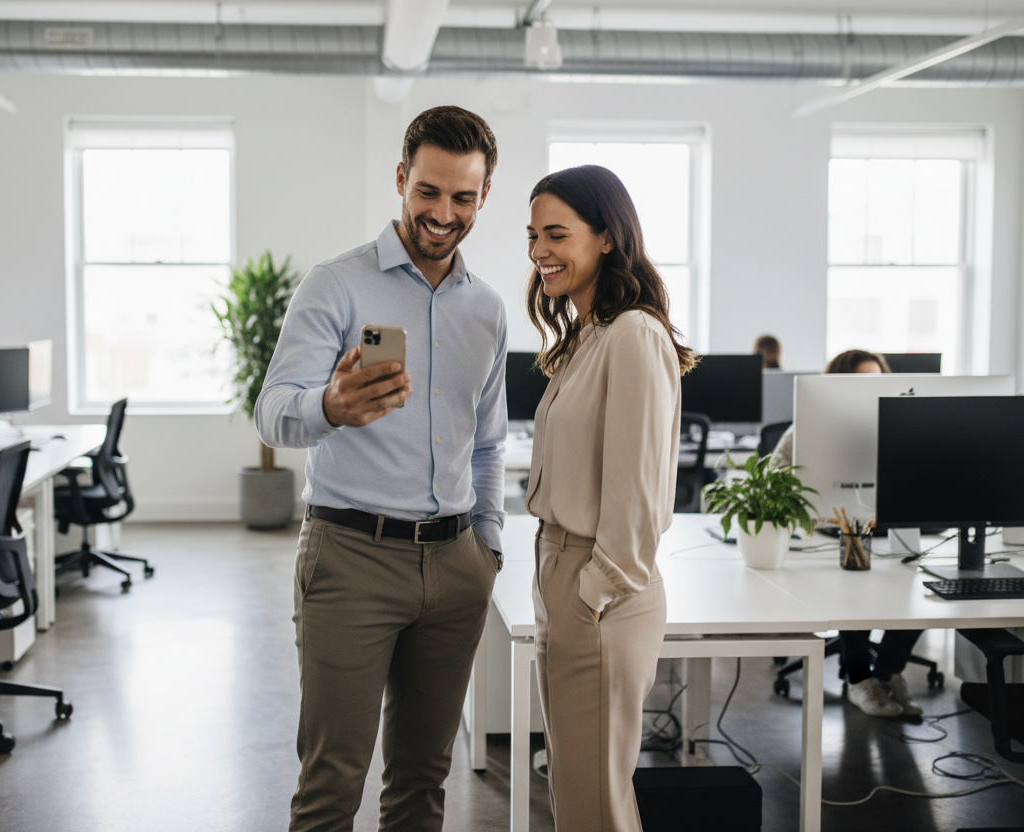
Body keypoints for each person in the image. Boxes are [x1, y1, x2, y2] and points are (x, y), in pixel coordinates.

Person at [255, 106, 508, 832]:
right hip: (350, 559)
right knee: (332, 783)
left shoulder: (487, 310)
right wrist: (331, 405)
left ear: (482, 198)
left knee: (423, 783)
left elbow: (488, 442)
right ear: (401, 180)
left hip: (455, 564)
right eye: (428, 191)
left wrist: (485, 546)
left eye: (463, 197)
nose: (443, 213)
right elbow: (273, 412)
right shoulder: (335, 285)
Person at [524, 165, 696, 831]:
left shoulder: (633, 334)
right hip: (563, 573)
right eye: (533, 235)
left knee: (595, 804)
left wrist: (591, 592)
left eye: (557, 234)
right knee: (579, 792)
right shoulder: (587, 334)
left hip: (599, 587)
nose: (540, 251)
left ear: (605, 238)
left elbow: (640, 491)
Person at [771, 348, 923, 719]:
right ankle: (859, 679)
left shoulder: (900, 430)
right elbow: (774, 477)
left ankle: (887, 674)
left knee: (922, 596)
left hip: (890, 535)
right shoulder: (807, 430)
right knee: (853, 593)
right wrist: (815, 510)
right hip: (826, 539)